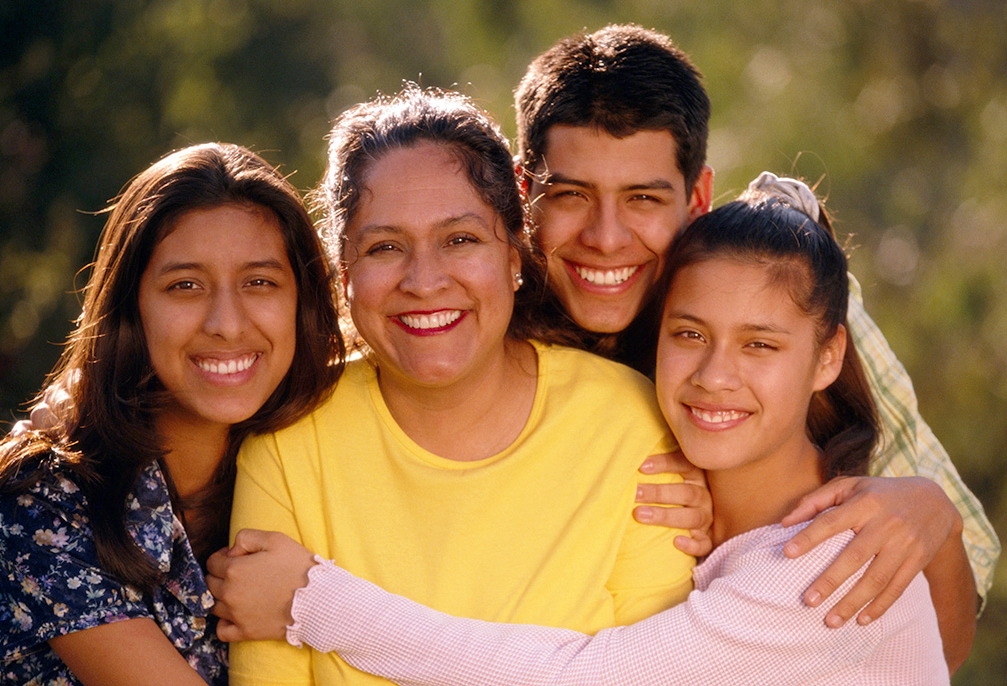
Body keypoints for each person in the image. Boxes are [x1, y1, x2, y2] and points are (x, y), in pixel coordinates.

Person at [222, 174, 954, 686]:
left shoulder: (826, 564)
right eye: (689, 334)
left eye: (760, 345)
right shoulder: (717, 528)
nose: (715, 376)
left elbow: (583, 677)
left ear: (828, 356)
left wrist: (310, 602)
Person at [513, 23, 997, 639]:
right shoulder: (487, 330)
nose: (606, 238)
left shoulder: (785, 294)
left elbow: (944, 631)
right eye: (572, 195)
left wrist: (930, 509)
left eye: (643, 199)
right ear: (525, 193)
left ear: (697, 199)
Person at [222, 86, 695, 686]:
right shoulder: (288, 447)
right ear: (344, 274)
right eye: (385, 247)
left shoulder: (631, 423)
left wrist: (320, 607)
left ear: (516, 255)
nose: (424, 281)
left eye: (461, 240)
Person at [0, 143, 345, 684]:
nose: (227, 323)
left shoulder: (316, 459)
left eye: (260, 282)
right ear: (132, 308)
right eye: (185, 286)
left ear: (302, 303)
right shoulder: (44, 503)